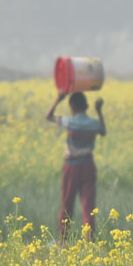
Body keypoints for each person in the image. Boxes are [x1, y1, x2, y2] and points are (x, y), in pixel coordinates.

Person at [46, 91, 106, 241]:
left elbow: (49, 116)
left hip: (71, 167)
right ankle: (89, 241)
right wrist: (99, 111)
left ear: (72, 107)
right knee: (88, 206)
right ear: (86, 107)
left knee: (67, 205)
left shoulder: (70, 122)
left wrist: (57, 99)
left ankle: (63, 241)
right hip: (88, 166)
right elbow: (103, 131)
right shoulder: (93, 123)